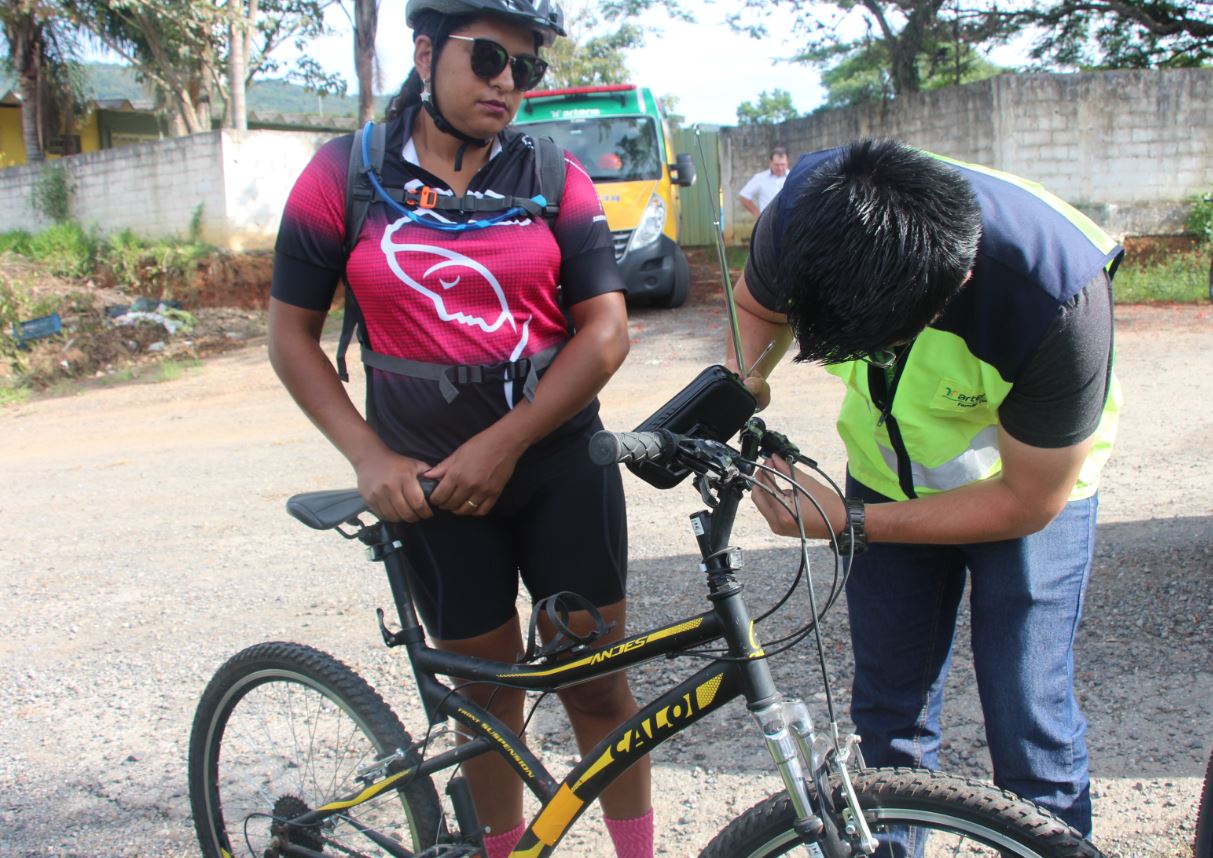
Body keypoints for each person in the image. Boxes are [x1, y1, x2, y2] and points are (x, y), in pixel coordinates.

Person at [266, 2, 653, 856]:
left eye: (527, 68)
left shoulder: (554, 176)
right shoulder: (343, 175)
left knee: (593, 686)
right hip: (432, 489)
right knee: (488, 702)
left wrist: (504, 441)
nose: (508, 84)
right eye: (488, 60)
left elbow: (606, 331)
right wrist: (367, 456)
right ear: (426, 52)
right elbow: (291, 337)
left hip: (559, 470)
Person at [727, 138, 1121, 838]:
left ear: (953, 287)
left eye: (874, 346)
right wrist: (740, 392)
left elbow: (1029, 501)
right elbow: (754, 311)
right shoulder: (808, 210)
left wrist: (847, 520)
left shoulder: (1054, 295)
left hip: (1019, 491)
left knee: (1029, 720)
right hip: (884, 474)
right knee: (888, 712)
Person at [737, 146, 789, 217]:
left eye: (783, 164)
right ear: (770, 162)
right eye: (776, 165)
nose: (780, 168)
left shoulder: (794, 178)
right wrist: (757, 214)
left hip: (789, 222)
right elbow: (743, 196)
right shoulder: (760, 178)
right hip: (767, 222)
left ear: (787, 162)